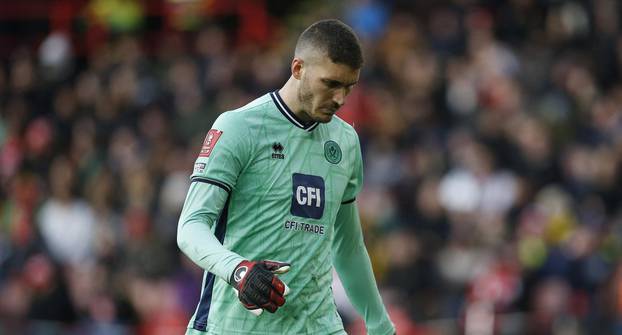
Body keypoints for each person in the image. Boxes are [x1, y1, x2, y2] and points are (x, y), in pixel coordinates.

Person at [177, 19, 396, 335]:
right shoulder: (239, 127)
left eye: (349, 86)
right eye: (331, 83)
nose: (340, 99)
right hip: (234, 326)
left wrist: (380, 325)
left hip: (318, 325)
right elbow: (191, 226)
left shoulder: (346, 141)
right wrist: (238, 270)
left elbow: (347, 246)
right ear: (298, 69)